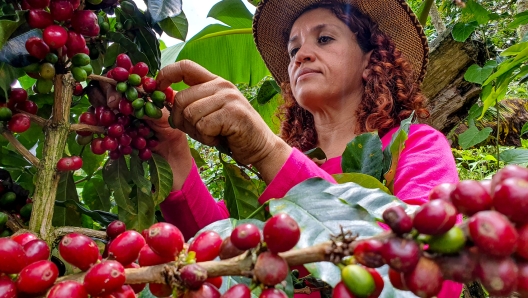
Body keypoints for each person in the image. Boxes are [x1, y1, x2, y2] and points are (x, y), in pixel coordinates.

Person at [105, 0, 462, 296]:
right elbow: (223, 259)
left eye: (323, 39)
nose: (301, 55)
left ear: (371, 58)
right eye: (294, 49)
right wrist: (173, 149)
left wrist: (267, 153)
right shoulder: (290, 170)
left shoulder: (415, 145)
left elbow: (430, 275)